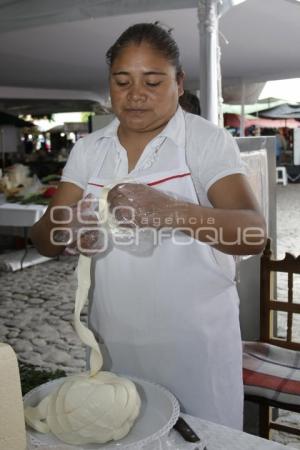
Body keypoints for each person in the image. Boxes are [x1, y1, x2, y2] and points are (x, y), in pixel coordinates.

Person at [30, 23, 266, 430]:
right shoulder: (90, 150)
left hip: (195, 344)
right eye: (122, 82)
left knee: (200, 435)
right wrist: (66, 226)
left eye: (152, 82)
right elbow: (44, 242)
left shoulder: (204, 141)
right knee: (123, 430)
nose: (135, 94)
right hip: (115, 342)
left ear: (178, 82)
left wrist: (172, 210)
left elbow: (252, 233)